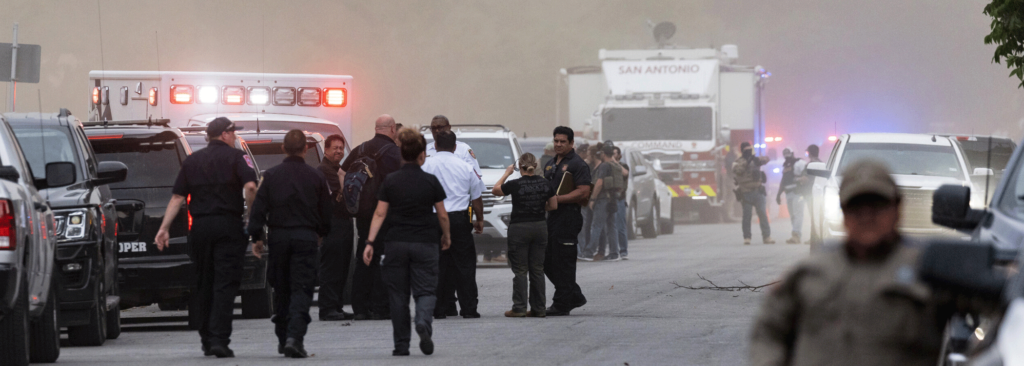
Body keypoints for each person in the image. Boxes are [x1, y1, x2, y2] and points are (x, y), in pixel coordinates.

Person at [749, 159, 950, 366]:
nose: (866, 216)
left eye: (877, 206)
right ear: (843, 212)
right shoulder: (810, 273)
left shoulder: (930, 271)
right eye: (856, 208)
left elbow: (979, 330)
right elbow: (768, 332)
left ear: (897, 208)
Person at [154, 117, 258, 358]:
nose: (234, 137)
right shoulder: (236, 157)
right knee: (225, 282)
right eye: (233, 133)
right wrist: (250, 217)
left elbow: (177, 198)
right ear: (224, 134)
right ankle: (219, 339)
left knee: (204, 281)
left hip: (200, 228)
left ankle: (206, 338)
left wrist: (164, 228)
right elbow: (251, 187)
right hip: (228, 227)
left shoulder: (192, 161)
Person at [362, 128, 450, 357]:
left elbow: (380, 214)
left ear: (401, 153)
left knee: (398, 295)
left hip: (396, 243)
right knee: (426, 290)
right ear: (422, 154)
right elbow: (442, 214)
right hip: (425, 243)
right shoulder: (430, 181)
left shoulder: (391, 180)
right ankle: (422, 321)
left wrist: (370, 242)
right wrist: (446, 235)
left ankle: (401, 345)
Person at [247, 130, 332, 358]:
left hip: (280, 239)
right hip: (305, 238)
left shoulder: (271, 176)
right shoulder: (316, 177)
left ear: (283, 148)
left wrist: (257, 237)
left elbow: (258, 209)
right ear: (305, 149)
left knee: (282, 289)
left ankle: (284, 336)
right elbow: (327, 212)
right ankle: (295, 337)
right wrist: (322, 233)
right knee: (302, 289)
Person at [341, 115, 402, 320]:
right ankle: (380, 307)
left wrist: (351, 201)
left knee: (363, 256)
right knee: (383, 257)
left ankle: (360, 308)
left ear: (376, 128)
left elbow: (341, 172)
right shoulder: (395, 153)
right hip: (386, 214)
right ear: (392, 129)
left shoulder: (360, 148)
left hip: (363, 213)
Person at [421, 130, 484, 319]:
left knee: (436, 264)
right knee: (464, 265)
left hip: (433, 220)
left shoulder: (426, 165)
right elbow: (476, 197)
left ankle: (438, 309)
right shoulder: (465, 167)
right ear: (455, 147)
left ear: (436, 145)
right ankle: (469, 308)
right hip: (459, 219)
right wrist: (478, 219)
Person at [492, 153, 557, 317]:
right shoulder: (546, 183)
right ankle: (539, 308)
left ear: (519, 166)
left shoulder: (515, 184)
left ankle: (519, 307)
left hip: (519, 228)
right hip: (540, 227)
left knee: (520, 270)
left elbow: (495, 190)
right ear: (535, 166)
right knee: (537, 269)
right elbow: (553, 206)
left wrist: (507, 173)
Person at [543, 126, 592, 316]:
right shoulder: (550, 164)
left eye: (563, 141)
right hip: (552, 218)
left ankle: (562, 304)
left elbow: (583, 191)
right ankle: (574, 295)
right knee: (547, 260)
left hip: (568, 217)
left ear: (572, 143)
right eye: (556, 141)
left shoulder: (578, 164)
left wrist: (558, 200)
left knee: (564, 261)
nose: (558, 144)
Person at [317, 134, 355, 321]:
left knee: (342, 268)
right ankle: (327, 308)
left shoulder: (338, 169)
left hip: (344, 223)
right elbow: (344, 193)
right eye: (335, 148)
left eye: (341, 148)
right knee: (332, 268)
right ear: (326, 150)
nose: (339, 151)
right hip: (333, 224)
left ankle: (337, 306)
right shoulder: (325, 170)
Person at [584, 144, 623, 261]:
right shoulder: (615, 165)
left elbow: (599, 183)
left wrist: (592, 199)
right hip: (612, 199)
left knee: (597, 226)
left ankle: (589, 252)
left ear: (603, 154)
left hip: (602, 200)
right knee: (611, 226)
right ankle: (614, 253)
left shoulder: (604, 166)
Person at [732, 142, 774, 245]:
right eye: (746, 150)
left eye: (749, 149)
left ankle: (767, 237)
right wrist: (747, 162)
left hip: (758, 191)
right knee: (747, 216)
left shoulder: (755, 160)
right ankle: (747, 237)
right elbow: (737, 170)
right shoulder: (738, 162)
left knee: (763, 215)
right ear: (742, 151)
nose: (748, 152)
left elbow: (767, 159)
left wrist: (756, 159)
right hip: (746, 193)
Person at [775, 148, 807, 244]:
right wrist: (779, 194)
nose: (787, 156)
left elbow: (806, 174)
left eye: (788, 154)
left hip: (798, 193)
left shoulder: (800, 163)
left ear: (792, 154)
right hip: (788, 193)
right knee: (793, 215)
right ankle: (796, 235)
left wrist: (801, 179)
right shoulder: (785, 166)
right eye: (785, 154)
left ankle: (796, 234)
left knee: (798, 214)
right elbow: (783, 180)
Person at [801, 144, 822, 245]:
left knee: (813, 217)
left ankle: (814, 239)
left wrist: (797, 179)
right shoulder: (822, 164)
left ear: (809, 153)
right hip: (821, 194)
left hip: (811, 194)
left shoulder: (809, 165)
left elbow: (805, 179)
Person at [612, 147, 630, 260]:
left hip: (620, 199)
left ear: (619, 155)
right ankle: (612, 251)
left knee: (620, 226)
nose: (612, 156)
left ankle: (623, 251)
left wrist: (613, 161)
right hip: (609, 199)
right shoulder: (607, 165)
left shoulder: (623, 165)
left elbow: (625, 173)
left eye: (614, 154)